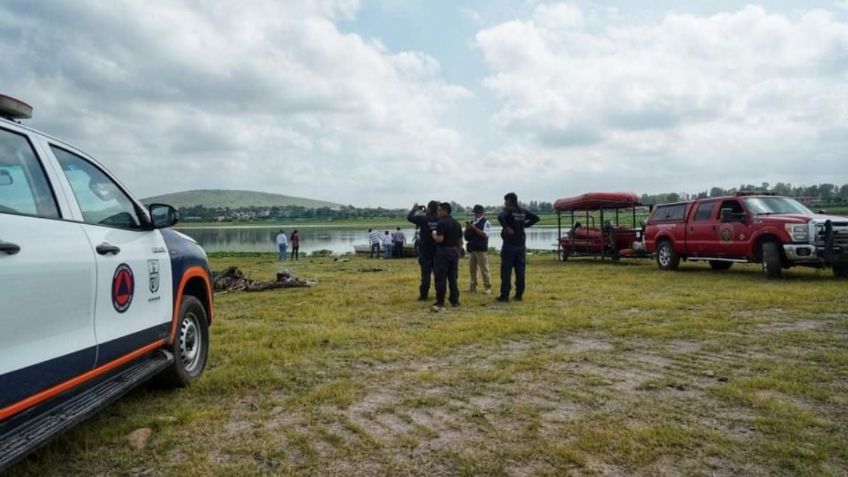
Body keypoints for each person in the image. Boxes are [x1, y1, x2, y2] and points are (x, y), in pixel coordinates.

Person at [496, 192, 540, 302]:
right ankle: (519, 294)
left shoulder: (509, 210)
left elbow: (500, 217)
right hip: (521, 245)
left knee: (506, 271)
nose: (504, 203)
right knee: (520, 271)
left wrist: (506, 227)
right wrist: (524, 225)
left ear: (509, 200)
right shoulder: (523, 211)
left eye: (505, 200)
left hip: (509, 245)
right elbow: (536, 218)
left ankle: (504, 296)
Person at [433, 202, 463, 311]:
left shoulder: (441, 223)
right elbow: (460, 241)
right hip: (454, 251)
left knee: (441, 277)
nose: (438, 212)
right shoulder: (457, 223)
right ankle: (455, 300)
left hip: (443, 252)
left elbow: (440, 239)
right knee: (453, 277)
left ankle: (440, 301)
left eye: (439, 210)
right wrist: (457, 251)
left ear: (445, 211)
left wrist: (434, 235)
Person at [408, 201, 439, 300]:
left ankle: (424, 295)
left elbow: (410, 217)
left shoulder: (424, 219)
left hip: (425, 249)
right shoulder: (440, 218)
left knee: (425, 274)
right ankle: (440, 294)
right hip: (438, 249)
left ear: (429, 208)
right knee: (438, 273)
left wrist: (415, 209)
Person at [464, 204, 492, 294]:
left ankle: (487, 287)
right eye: (475, 212)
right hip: (472, 248)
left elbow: (485, 235)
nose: (475, 214)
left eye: (477, 212)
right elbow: (467, 237)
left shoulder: (486, 222)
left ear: (481, 213)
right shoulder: (472, 222)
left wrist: (475, 229)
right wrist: (467, 229)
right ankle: (472, 287)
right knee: (472, 269)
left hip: (481, 249)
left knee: (484, 269)